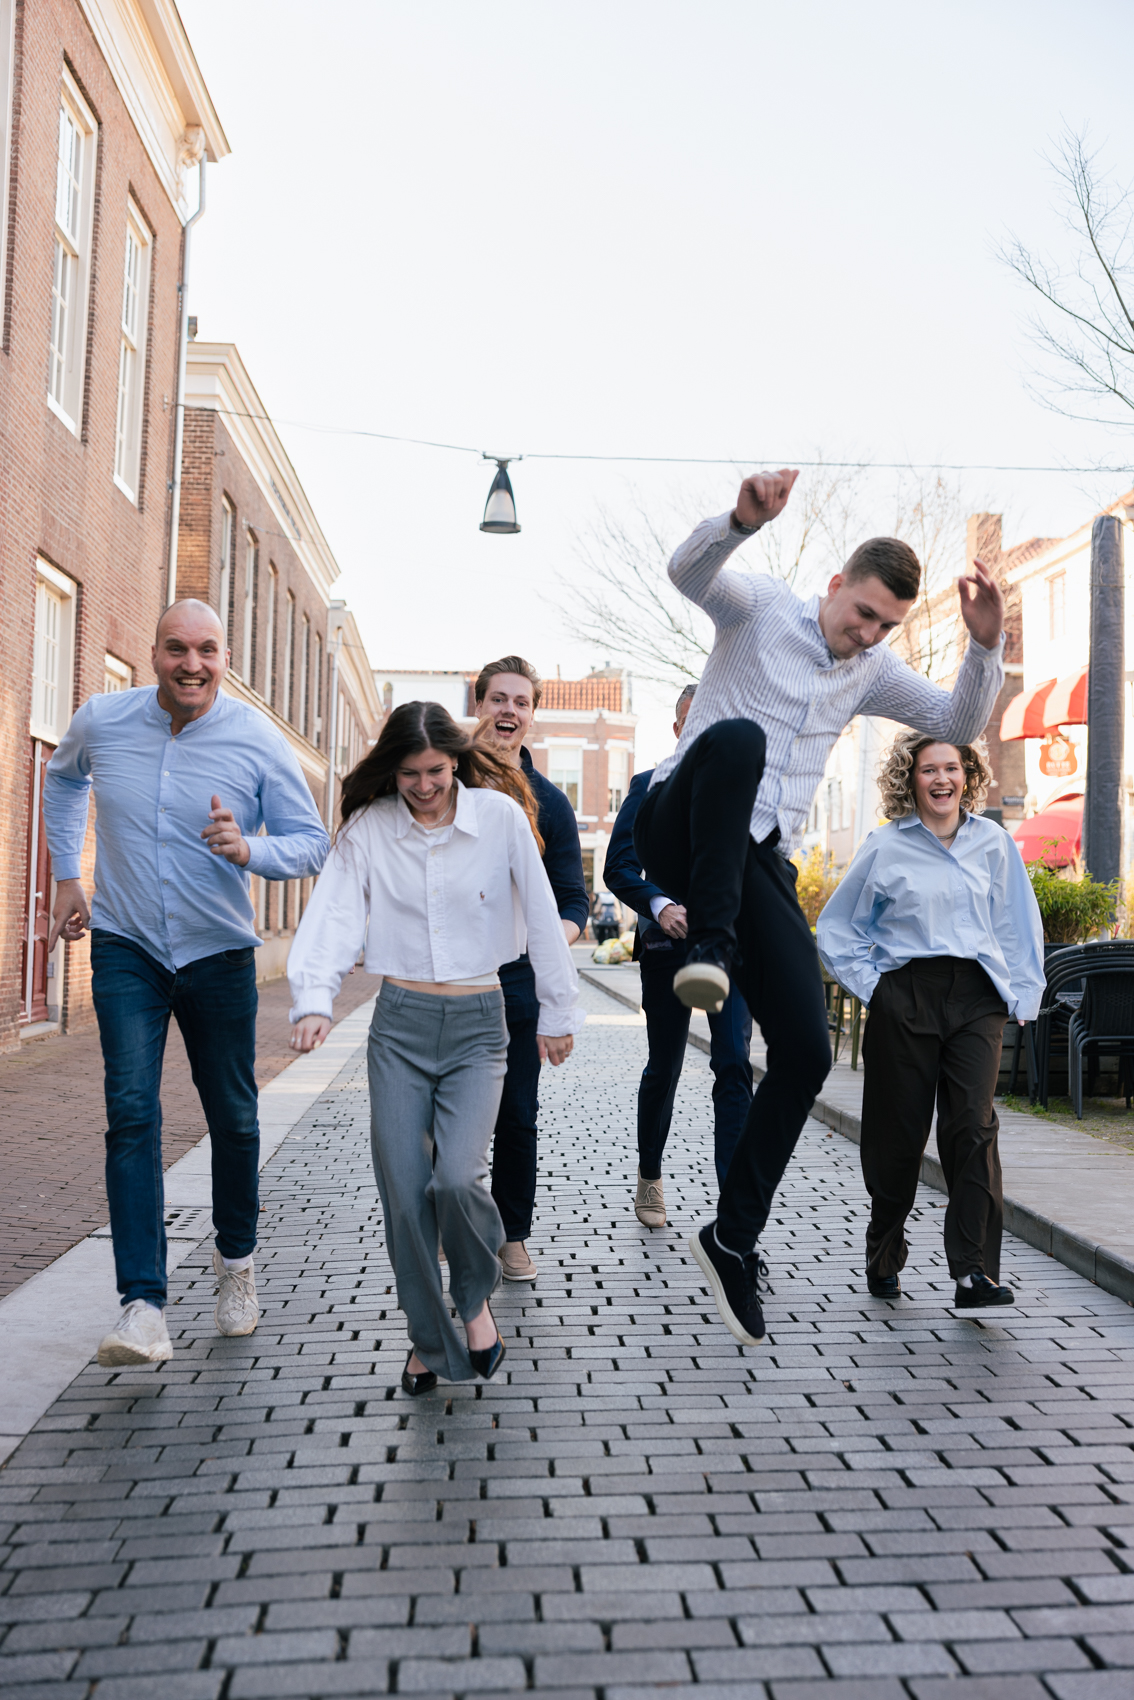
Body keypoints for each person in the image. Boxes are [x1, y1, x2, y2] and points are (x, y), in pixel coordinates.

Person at [633, 470, 1007, 1349]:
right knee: (739, 741)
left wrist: (985, 646)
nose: (867, 634)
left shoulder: (870, 670)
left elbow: (957, 716)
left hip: (754, 858)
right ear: (835, 586)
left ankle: (733, 1235)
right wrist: (738, 520)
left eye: (884, 626)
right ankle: (712, 956)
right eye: (861, 614)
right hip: (678, 818)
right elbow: (688, 574)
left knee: (802, 1050)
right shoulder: (760, 607)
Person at [43, 599, 330, 1367]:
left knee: (234, 1118)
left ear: (224, 657)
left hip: (219, 956)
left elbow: (312, 845)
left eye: (206, 650)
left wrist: (249, 851)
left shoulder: (256, 739)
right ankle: (143, 1305)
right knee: (131, 1114)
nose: (191, 664)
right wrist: (68, 876)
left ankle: (236, 1262)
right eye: (177, 648)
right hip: (125, 946)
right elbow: (62, 779)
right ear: (154, 652)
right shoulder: (103, 720)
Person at [287, 701, 581, 1394]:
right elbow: (332, 914)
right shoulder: (370, 828)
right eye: (410, 774)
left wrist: (558, 1009)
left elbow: (542, 913)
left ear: (457, 761)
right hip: (400, 1027)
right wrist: (312, 1001)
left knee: (454, 1179)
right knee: (403, 1192)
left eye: (437, 771)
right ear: (392, 770)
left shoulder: (500, 819)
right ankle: (429, 1338)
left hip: (480, 1026)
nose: (423, 786)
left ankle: (473, 1298)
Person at [817, 735, 1045, 1307]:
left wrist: (1023, 995)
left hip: (976, 999)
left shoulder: (994, 843)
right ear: (910, 778)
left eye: (952, 768)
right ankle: (884, 1248)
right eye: (928, 770)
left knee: (971, 1128)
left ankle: (973, 1272)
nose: (941, 779)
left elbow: (1018, 923)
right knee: (897, 1137)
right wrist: (879, 991)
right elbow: (837, 928)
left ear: (967, 774)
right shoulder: (885, 847)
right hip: (906, 996)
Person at [605, 682, 753, 1226]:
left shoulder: (744, 791)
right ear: (677, 728)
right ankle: (649, 1174)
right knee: (665, 1065)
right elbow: (618, 866)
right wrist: (659, 904)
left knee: (734, 1066)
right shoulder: (647, 787)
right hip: (668, 948)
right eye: (695, 721)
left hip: (730, 949)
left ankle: (734, 1214)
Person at [472, 657, 589, 1283]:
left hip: (516, 983)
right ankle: (455, 1221)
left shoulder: (549, 803)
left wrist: (547, 938)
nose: (508, 711)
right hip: (452, 977)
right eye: (497, 699)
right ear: (480, 706)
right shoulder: (448, 781)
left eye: (520, 702)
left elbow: (573, 899)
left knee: (516, 1115)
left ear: (533, 715)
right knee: (449, 1117)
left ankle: (513, 1234)